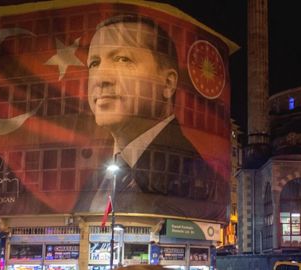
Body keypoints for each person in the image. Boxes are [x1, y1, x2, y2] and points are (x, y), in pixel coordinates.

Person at [75, 14, 227, 218]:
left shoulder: (198, 179)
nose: (101, 78)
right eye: (94, 63)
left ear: (168, 83)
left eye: (122, 59)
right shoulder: (95, 181)